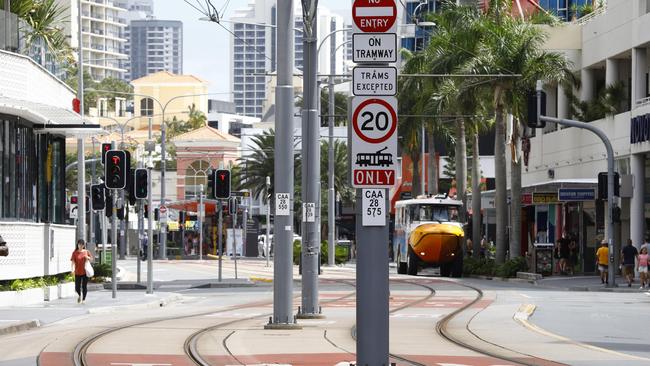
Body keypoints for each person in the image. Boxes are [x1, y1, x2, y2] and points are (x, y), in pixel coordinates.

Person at [70, 239, 93, 304]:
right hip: (77, 272)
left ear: (83, 245)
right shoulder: (74, 253)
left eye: (82, 244)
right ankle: (79, 295)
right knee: (77, 286)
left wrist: (87, 257)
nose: (80, 246)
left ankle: (84, 299)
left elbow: (91, 259)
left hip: (85, 272)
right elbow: (72, 262)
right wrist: (72, 270)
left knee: (84, 286)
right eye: (79, 244)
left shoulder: (86, 252)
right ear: (77, 245)